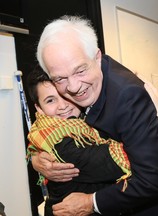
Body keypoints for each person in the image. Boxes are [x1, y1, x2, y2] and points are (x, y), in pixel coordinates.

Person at [32, 15, 158, 216]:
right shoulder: (79, 93)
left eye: (80, 71)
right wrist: (36, 158)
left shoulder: (127, 96)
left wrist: (90, 203)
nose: (73, 88)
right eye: (60, 79)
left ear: (97, 57)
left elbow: (151, 179)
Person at [26, 66, 131, 215]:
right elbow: (121, 161)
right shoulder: (61, 141)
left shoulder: (85, 122)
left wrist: (34, 158)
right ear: (39, 109)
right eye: (50, 100)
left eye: (65, 95)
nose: (63, 106)